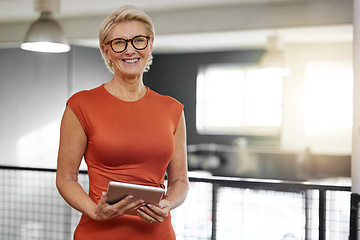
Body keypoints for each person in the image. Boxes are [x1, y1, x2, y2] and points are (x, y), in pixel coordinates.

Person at [56, 5, 189, 240]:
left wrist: (168, 204)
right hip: (99, 233)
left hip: (158, 234)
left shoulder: (173, 109)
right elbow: (66, 179)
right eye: (119, 42)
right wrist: (95, 212)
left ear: (149, 45)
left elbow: (179, 180)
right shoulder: (80, 105)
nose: (130, 50)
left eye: (138, 40)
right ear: (106, 50)